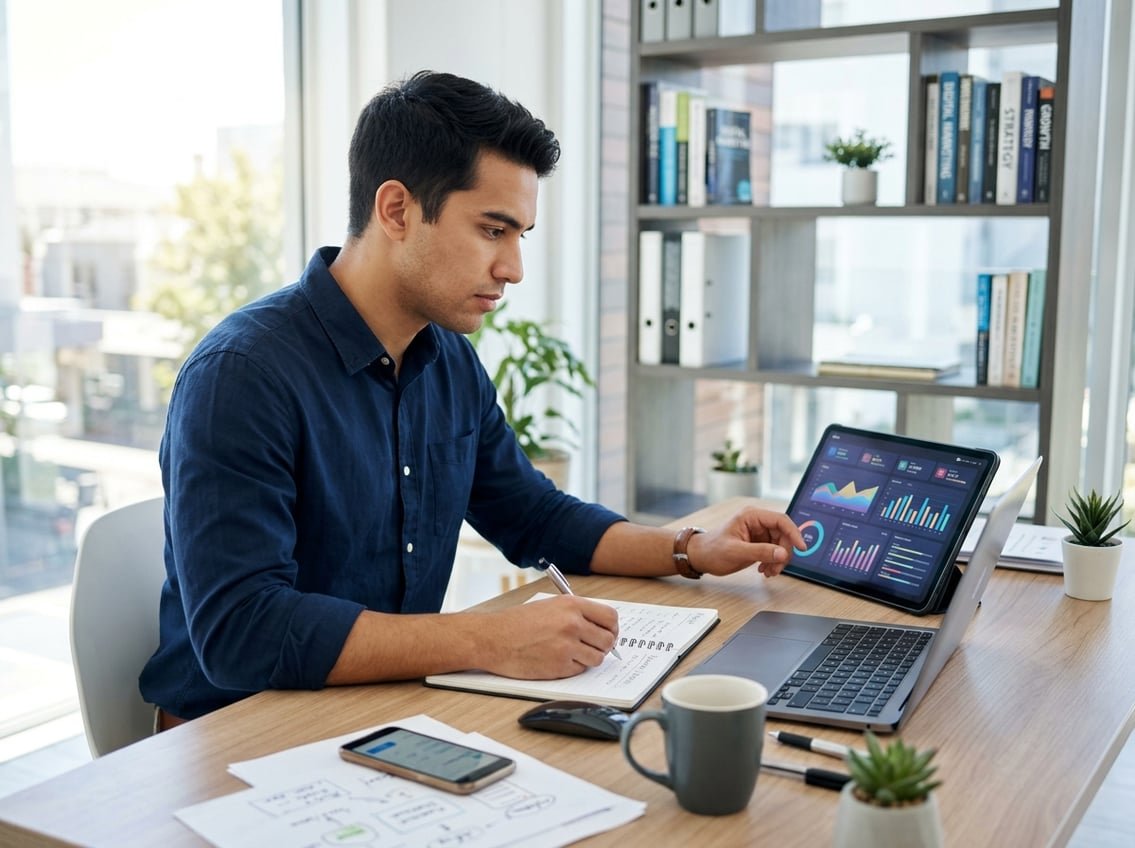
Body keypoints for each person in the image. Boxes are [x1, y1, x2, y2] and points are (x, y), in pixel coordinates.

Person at [140, 70, 805, 724]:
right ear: (396, 209)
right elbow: (242, 633)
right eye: (493, 230)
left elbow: (531, 515)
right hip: (238, 732)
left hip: (383, 705)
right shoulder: (242, 374)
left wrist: (689, 548)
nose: (512, 268)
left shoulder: (446, 356)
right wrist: (487, 640)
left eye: (520, 236)